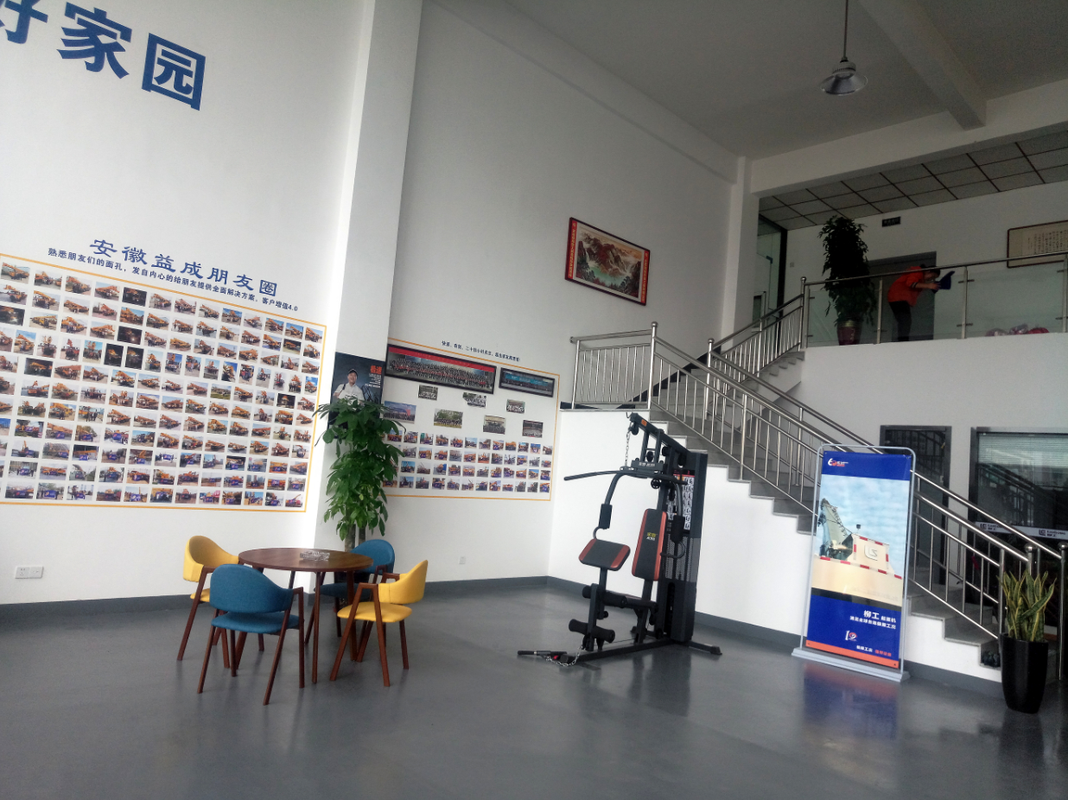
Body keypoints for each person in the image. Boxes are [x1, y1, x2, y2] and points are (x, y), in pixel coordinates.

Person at [887, 264, 950, 342]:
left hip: (897, 298)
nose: (931, 279)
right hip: (899, 297)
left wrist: (929, 286)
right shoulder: (917, 272)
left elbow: (915, 286)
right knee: (905, 321)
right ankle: (902, 341)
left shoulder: (919, 276)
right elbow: (911, 283)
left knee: (904, 321)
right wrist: (928, 286)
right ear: (928, 271)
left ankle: (902, 340)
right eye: (932, 276)